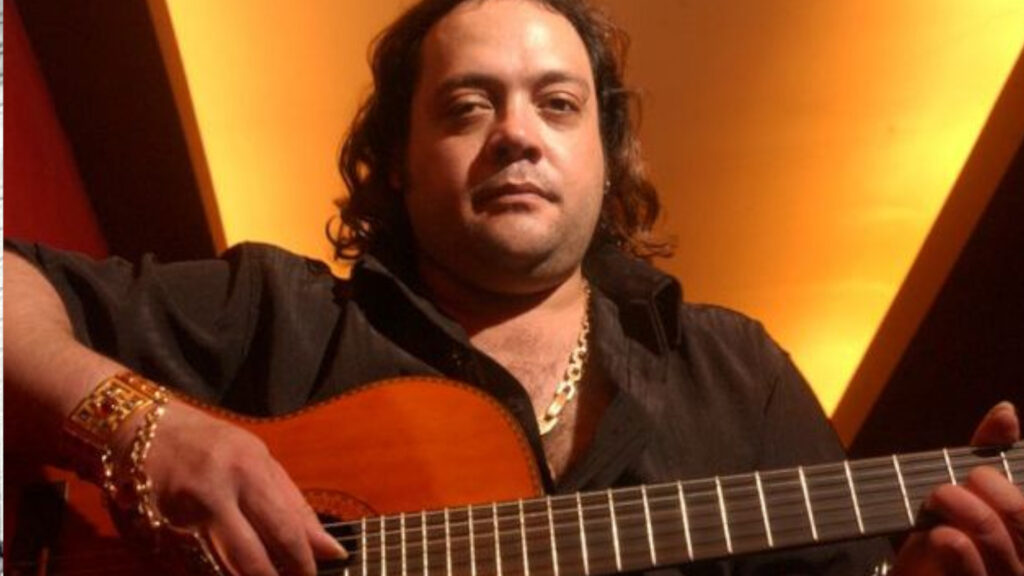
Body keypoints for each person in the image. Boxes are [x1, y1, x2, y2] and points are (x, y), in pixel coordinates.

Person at [5, 0, 1023, 575]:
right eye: (466, 106)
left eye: (558, 104)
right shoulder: (276, 312)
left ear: (606, 157)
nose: (516, 135)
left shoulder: (736, 373)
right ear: (396, 164)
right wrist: (141, 428)